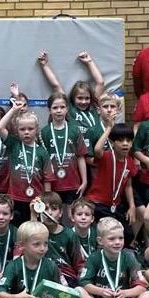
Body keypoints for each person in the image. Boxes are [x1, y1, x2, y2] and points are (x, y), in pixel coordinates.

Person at [78, 218, 149, 298]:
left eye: (120, 238)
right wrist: (100, 291)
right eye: (112, 239)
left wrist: (126, 293)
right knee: (78, 291)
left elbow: (141, 286)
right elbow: (84, 283)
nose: (117, 242)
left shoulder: (129, 257)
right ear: (100, 241)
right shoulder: (94, 258)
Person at [0, 100, 50, 226]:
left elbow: (47, 179)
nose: (26, 132)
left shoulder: (42, 152)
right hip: (15, 198)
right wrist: (14, 109)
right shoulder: (14, 145)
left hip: (36, 200)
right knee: (17, 230)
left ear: (36, 130)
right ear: (17, 130)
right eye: (22, 129)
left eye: (30, 129)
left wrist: (46, 200)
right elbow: (0, 127)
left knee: (34, 230)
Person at [85, 121, 137, 244]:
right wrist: (108, 128)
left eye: (128, 141)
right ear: (112, 143)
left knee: (128, 235)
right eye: (121, 140)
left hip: (115, 205)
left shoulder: (129, 162)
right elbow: (97, 149)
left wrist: (132, 206)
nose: (125, 144)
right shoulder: (106, 156)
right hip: (97, 203)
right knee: (109, 232)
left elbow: (128, 185)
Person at [40, 92, 88, 220]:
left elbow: (81, 156)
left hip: (72, 182)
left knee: (72, 217)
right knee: (53, 216)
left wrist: (84, 181)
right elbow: (42, 161)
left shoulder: (75, 129)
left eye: (62, 107)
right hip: (53, 183)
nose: (59, 111)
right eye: (55, 108)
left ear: (67, 109)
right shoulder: (44, 132)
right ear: (49, 110)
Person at [38, 50, 105, 137]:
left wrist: (89, 62)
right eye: (80, 98)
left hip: (96, 144)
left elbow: (100, 83)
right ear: (73, 98)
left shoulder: (94, 107)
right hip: (76, 144)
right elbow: (56, 86)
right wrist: (44, 65)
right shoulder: (69, 108)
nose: (83, 102)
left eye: (87, 98)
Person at [35, 192, 84, 289]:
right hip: (42, 275)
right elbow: (30, 239)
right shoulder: (36, 232)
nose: (49, 213)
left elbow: (79, 264)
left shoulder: (69, 234)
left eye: (54, 209)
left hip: (67, 277)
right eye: (45, 209)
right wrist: (33, 214)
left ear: (61, 212)